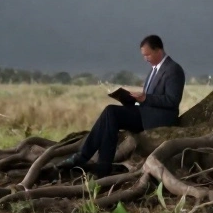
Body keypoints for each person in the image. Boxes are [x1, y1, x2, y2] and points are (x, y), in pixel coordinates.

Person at [55, 34, 185, 176]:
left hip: (158, 119)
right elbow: (148, 98)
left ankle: (85, 157)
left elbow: (172, 101)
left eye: (147, 55)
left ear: (158, 50)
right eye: (143, 55)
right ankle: (101, 166)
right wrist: (131, 99)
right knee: (110, 117)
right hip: (144, 113)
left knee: (111, 112)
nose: (145, 59)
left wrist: (145, 98)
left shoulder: (173, 70)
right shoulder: (153, 70)